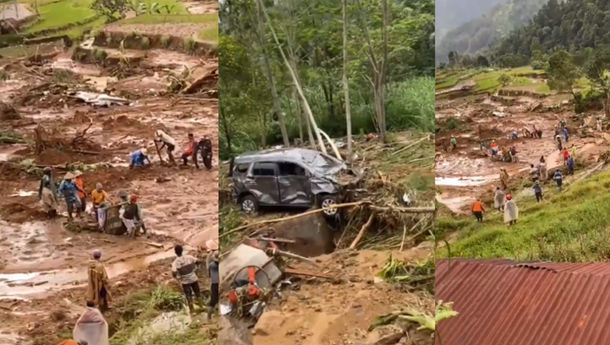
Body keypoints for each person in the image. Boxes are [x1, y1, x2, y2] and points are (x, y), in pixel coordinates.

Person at [171, 244, 204, 313]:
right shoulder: (189, 257)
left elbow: (174, 273)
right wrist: (195, 268)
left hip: (185, 282)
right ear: (182, 250)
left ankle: (192, 310)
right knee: (197, 293)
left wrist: (177, 277)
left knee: (188, 296)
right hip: (193, 278)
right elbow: (199, 261)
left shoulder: (175, 262)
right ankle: (201, 306)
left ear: (175, 252)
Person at [206, 239, 219, 320]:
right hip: (218, 283)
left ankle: (209, 317)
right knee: (215, 299)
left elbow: (209, 274)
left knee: (213, 300)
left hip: (214, 284)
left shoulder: (211, 264)